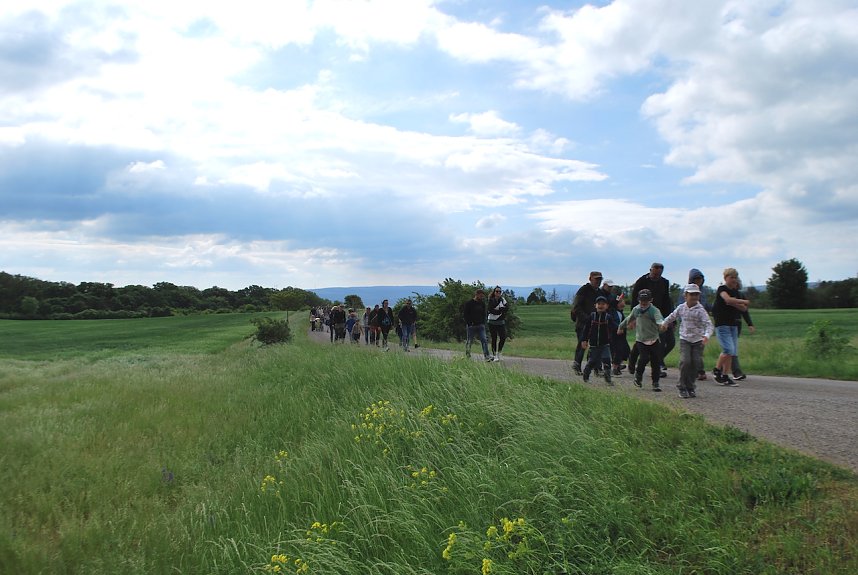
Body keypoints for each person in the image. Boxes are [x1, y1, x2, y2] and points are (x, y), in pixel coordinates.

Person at [660, 283, 713, 398]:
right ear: (685, 296)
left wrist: (706, 336)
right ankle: (682, 386)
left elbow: (708, 324)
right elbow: (672, 316)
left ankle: (690, 386)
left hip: (698, 340)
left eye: (696, 295)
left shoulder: (700, 310)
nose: (694, 297)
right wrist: (664, 323)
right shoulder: (681, 308)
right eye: (691, 294)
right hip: (685, 339)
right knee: (685, 361)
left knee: (695, 363)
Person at [631, 263, 674, 377]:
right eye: (654, 274)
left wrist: (670, 319)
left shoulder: (664, 282)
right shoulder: (642, 281)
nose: (656, 277)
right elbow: (634, 299)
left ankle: (657, 361)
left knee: (670, 342)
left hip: (660, 315)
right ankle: (654, 366)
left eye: (658, 275)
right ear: (650, 270)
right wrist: (633, 318)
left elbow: (667, 300)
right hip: (645, 315)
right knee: (650, 341)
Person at [617, 288, 664, 392]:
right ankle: (638, 376)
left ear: (651, 300)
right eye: (642, 300)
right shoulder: (636, 309)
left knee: (656, 362)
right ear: (638, 300)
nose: (643, 303)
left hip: (654, 339)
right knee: (644, 358)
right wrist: (621, 327)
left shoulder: (654, 310)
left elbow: (659, 319)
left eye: (646, 300)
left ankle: (655, 382)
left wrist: (661, 325)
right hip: (641, 339)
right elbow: (629, 319)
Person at [712, 268, 750, 386]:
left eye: (735, 277)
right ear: (725, 278)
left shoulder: (736, 292)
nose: (734, 280)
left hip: (733, 324)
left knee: (731, 352)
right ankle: (717, 370)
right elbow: (727, 300)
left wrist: (736, 302)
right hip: (722, 324)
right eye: (731, 277)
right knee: (728, 349)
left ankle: (725, 375)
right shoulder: (722, 289)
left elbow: (743, 308)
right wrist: (741, 301)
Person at [570, 271, 607, 375]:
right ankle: (577, 364)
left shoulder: (600, 292)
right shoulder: (584, 290)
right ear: (590, 279)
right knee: (582, 345)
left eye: (600, 279)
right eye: (596, 279)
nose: (598, 281)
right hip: (583, 323)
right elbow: (576, 307)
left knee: (596, 346)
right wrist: (587, 318)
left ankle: (596, 368)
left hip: (596, 324)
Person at [684, 268, 713, 381]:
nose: (698, 281)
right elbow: (681, 308)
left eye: (700, 279)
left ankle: (699, 370)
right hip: (688, 327)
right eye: (696, 279)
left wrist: (714, 309)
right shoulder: (686, 291)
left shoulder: (703, 292)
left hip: (700, 326)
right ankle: (694, 371)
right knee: (688, 353)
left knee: (698, 350)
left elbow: (706, 305)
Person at [580, 295, 617, 384]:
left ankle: (608, 379)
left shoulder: (608, 317)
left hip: (605, 344)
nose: (601, 306)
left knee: (607, 360)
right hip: (594, 344)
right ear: (595, 305)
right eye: (599, 304)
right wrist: (584, 340)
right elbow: (586, 329)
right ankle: (586, 375)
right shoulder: (592, 316)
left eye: (603, 304)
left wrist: (621, 328)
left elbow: (614, 327)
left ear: (606, 306)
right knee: (592, 361)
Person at [604, 280, 629, 375]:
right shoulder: (612, 313)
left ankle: (618, 365)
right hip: (613, 335)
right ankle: (615, 367)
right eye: (621, 301)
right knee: (617, 351)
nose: (623, 303)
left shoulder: (620, 313)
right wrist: (618, 328)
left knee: (625, 350)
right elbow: (611, 323)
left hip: (621, 335)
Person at [463, 288, 492, 361]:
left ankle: (487, 356)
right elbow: (465, 314)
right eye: (481, 296)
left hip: (480, 325)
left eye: (482, 296)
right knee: (469, 341)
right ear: (476, 295)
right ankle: (468, 355)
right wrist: (469, 323)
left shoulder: (482, 303)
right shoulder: (469, 303)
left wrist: (483, 322)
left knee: (484, 340)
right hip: (471, 326)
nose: (481, 297)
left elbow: (484, 313)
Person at [487, 286, 508, 361]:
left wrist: (500, 310)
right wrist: (500, 310)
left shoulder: (503, 299)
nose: (498, 293)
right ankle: (494, 355)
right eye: (497, 291)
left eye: (500, 291)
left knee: (503, 337)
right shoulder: (491, 300)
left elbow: (506, 308)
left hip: (501, 322)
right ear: (494, 292)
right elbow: (491, 310)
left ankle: (499, 353)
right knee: (494, 338)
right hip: (492, 322)